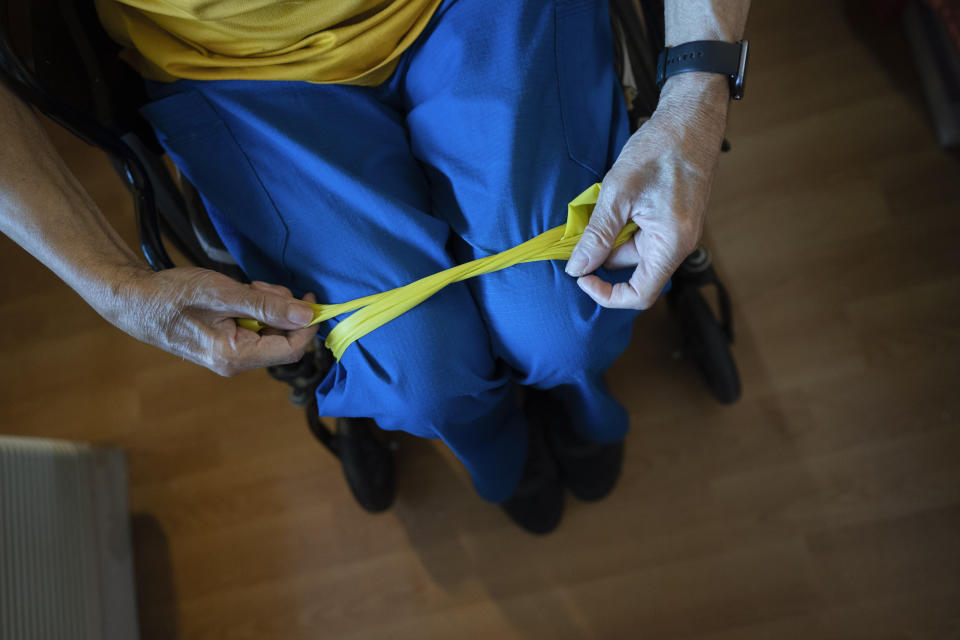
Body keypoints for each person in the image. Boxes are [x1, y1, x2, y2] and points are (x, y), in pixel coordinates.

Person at [0, 0, 750, 534]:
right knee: (423, 373)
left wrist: (696, 92)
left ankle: (581, 409)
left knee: (565, 320)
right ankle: (496, 453)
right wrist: (114, 285)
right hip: (231, 65)